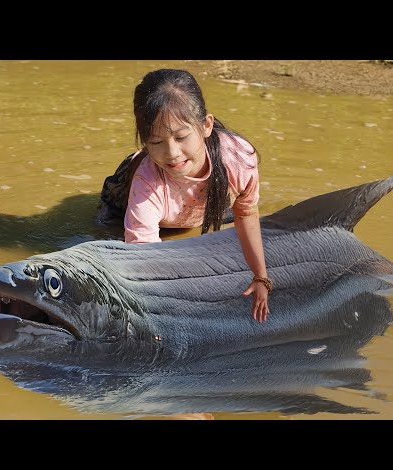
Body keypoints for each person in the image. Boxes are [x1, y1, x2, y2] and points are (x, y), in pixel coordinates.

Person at [97, 69, 272, 323]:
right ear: (145, 142)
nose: (171, 153)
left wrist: (260, 277)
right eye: (156, 142)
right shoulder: (147, 181)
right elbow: (144, 259)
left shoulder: (238, 159)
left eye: (181, 137)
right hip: (126, 197)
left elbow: (246, 212)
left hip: (198, 202)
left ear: (206, 126)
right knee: (108, 239)